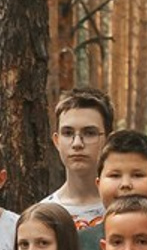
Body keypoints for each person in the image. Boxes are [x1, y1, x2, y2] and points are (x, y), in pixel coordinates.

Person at [40, 88, 114, 229]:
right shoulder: (44, 215)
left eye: (89, 133)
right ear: (57, 141)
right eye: (68, 133)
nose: (77, 144)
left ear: (108, 139)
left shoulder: (126, 208)